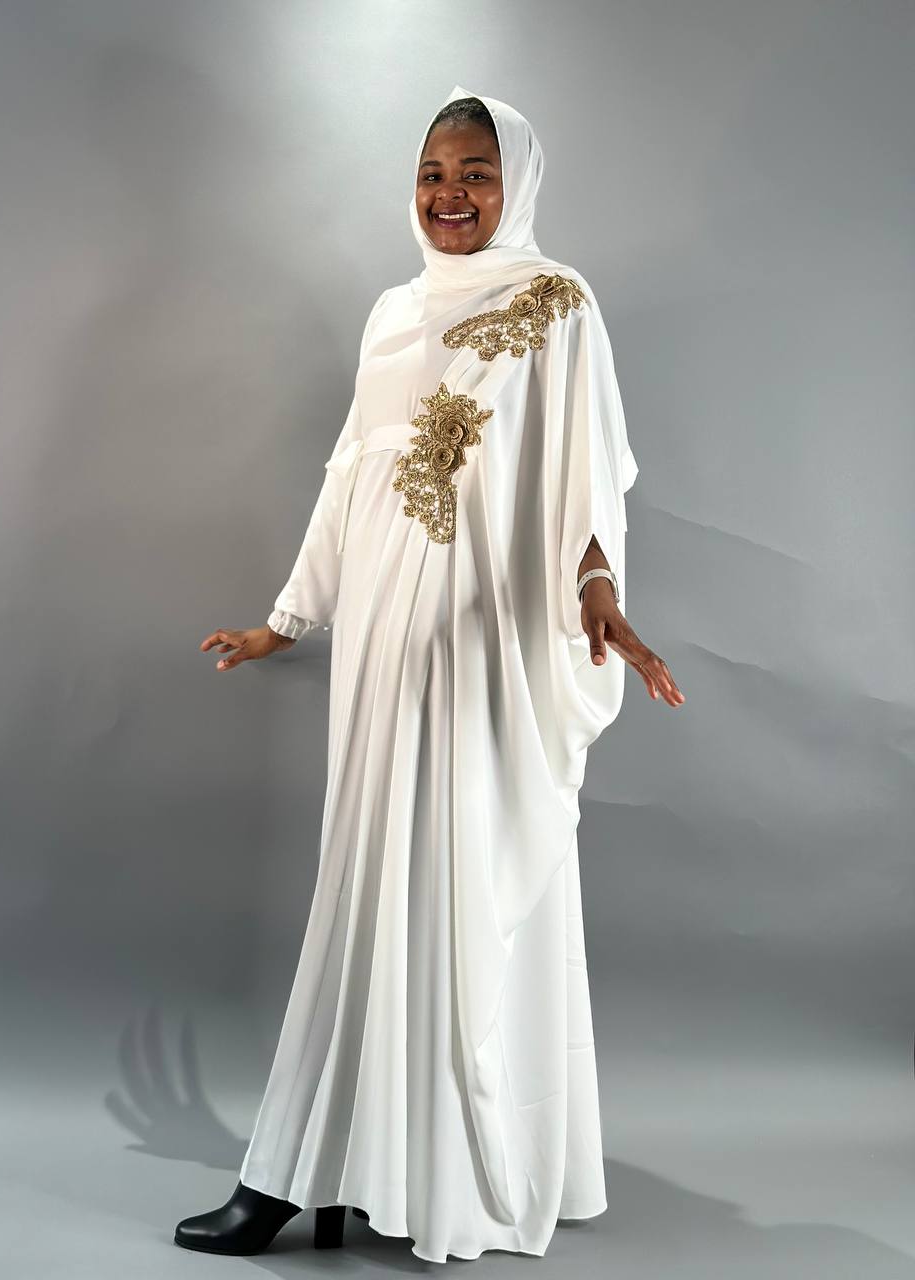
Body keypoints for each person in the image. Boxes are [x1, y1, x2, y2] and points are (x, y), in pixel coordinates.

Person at [175, 84, 684, 1266]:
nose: (450, 196)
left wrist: (598, 587)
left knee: (452, 886)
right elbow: (352, 471)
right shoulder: (392, 313)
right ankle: (329, 1162)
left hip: (484, 645)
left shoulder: (557, 304)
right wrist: (288, 617)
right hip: (384, 646)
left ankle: (333, 1170)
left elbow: (587, 474)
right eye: (432, 174)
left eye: (476, 174)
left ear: (518, 184)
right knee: (368, 884)